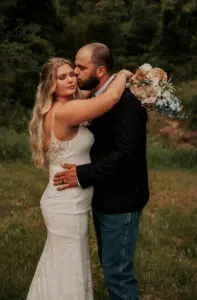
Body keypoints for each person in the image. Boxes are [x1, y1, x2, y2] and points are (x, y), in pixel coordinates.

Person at [27, 56, 132, 300]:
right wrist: (124, 75)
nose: (71, 79)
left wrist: (90, 84)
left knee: (60, 265)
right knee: (68, 268)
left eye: (72, 74)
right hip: (67, 204)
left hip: (65, 200)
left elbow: (88, 95)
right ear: (51, 85)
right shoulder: (67, 112)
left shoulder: (55, 109)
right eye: (61, 77)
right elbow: (111, 98)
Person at [54, 43, 150, 300]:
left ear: (100, 70)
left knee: (118, 274)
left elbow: (125, 152)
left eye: (81, 68)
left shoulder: (127, 102)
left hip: (123, 199)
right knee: (111, 268)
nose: (75, 73)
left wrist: (83, 174)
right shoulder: (97, 98)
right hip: (105, 196)